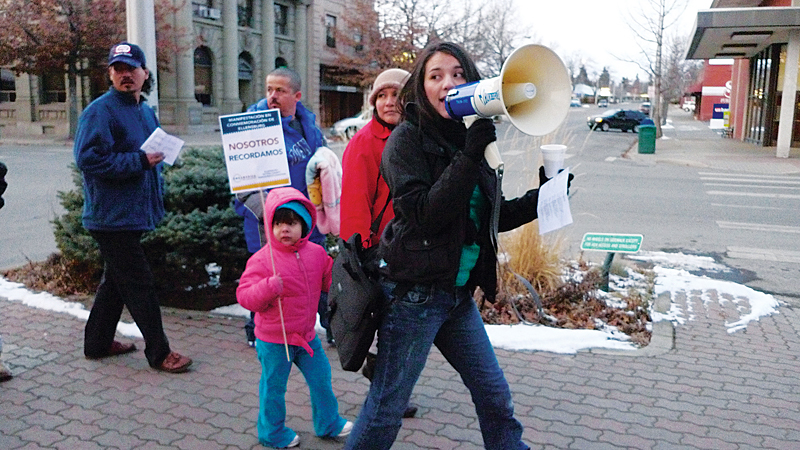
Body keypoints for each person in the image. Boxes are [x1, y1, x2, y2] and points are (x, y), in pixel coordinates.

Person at [344, 42, 555, 450]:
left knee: (494, 395)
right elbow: (424, 214)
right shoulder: (405, 142)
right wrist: (471, 152)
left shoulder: (468, 137)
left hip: (456, 296)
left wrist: (543, 197)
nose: (448, 84)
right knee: (388, 406)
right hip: (414, 297)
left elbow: (483, 218)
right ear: (421, 87)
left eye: (459, 74)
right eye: (436, 75)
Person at [73, 42, 192, 373]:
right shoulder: (100, 111)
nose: (126, 75)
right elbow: (88, 159)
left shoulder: (143, 109)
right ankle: (160, 353)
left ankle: (96, 344)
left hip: (132, 213)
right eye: (118, 69)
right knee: (138, 283)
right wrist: (139, 161)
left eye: (131, 68)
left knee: (116, 282)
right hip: (111, 217)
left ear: (144, 73)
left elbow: (149, 154)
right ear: (110, 74)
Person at [236, 186, 352, 448]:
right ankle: (272, 432)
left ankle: (328, 422)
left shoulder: (316, 254)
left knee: (321, 378)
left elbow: (329, 282)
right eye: (277, 223)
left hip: (306, 337)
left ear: (305, 224)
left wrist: (346, 283)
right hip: (274, 340)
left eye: (291, 223)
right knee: (274, 389)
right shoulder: (263, 260)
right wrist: (267, 288)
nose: (284, 229)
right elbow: (244, 296)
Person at [236, 68, 334, 347]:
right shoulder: (250, 127)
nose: (272, 96)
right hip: (270, 224)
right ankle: (256, 331)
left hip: (306, 219)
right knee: (267, 279)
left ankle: (333, 326)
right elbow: (242, 187)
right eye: (269, 90)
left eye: (279, 91)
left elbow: (321, 164)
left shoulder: (309, 125)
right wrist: (270, 215)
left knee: (316, 272)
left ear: (297, 96)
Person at [339, 68, 417, 419]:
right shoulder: (363, 144)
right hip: (379, 253)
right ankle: (386, 394)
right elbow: (355, 204)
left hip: (408, 249)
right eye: (381, 95)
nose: (388, 102)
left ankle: (386, 383)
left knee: (397, 325)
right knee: (388, 325)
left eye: (395, 95)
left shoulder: (414, 137)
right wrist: (364, 252)